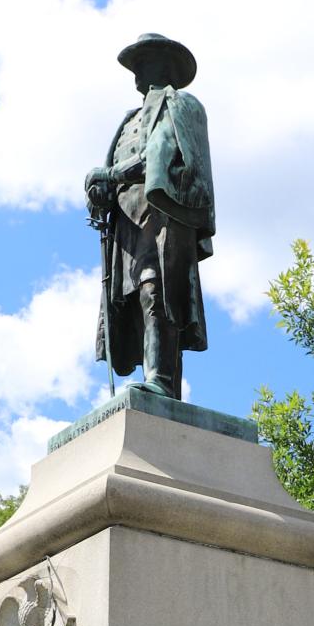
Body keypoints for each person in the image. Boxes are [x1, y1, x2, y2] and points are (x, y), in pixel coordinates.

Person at [85, 33, 215, 400]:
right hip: (127, 223)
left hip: (163, 217)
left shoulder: (181, 105)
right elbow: (114, 170)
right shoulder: (128, 119)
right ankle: (158, 383)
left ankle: (160, 379)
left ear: (165, 65)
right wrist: (101, 190)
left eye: (144, 62)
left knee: (156, 291)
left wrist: (112, 175)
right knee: (132, 303)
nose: (137, 73)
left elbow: (164, 152)